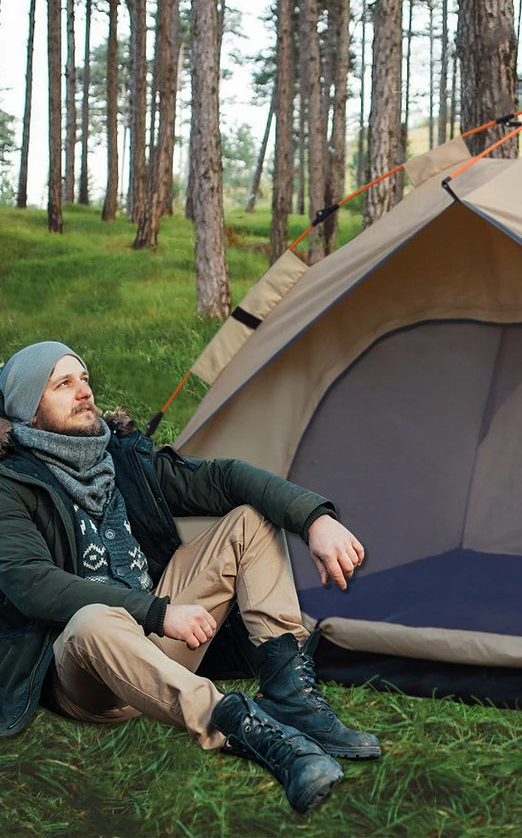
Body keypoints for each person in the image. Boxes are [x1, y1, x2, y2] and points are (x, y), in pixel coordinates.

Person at [0, 341, 380, 814]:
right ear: (28, 414)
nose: (85, 392)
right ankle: (245, 729)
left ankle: (290, 694)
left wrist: (314, 520)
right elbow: (30, 582)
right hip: (89, 670)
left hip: (158, 632)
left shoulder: (119, 460)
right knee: (93, 618)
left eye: (84, 378)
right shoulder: (11, 486)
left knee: (249, 519)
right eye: (63, 384)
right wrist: (159, 612)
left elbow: (225, 478)